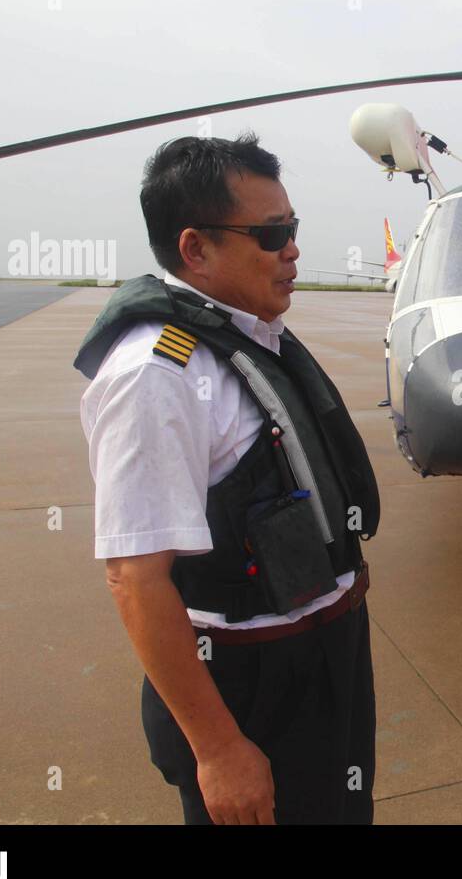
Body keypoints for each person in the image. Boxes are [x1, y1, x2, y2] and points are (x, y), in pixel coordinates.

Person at [76, 133, 381, 824]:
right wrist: (217, 750)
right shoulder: (158, 373)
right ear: (196, 249)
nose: (292, 249)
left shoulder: (250, 337)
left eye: (292, 228)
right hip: (251, 680)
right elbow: (134, 577)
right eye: (271, 233)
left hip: (324, 655)